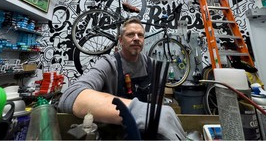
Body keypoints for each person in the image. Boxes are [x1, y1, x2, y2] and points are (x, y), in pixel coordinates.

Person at [58, 17, 186, 140]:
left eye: (140, 35)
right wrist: (139, 112)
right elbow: (70, 95)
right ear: (120, 40)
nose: (136, 38)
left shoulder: (152, 66)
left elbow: (158, 102)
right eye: (130, 34)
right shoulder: (109, 64)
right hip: (113, 134)